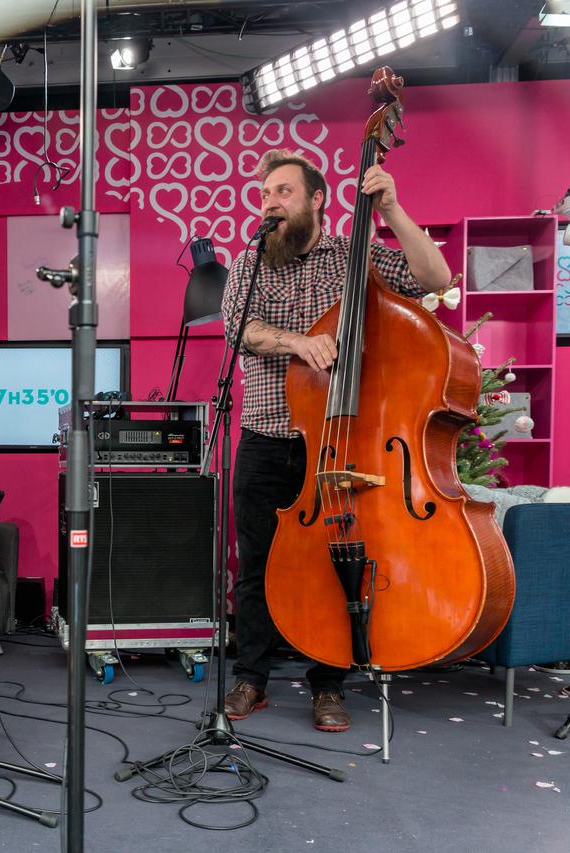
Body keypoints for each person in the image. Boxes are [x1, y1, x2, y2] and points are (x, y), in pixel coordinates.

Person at [219, 148, 450, 732]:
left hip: (341, 442)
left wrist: (393, 210)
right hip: (267, 435)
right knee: (256, 565)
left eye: (282, 192)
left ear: (316, 199)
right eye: (266, 193)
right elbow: (236, 328)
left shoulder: (355, 256)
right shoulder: (250, 262)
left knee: (333, 562)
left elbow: (435, 279)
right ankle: (251, 676)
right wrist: (299, 343)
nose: (270, 203)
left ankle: (328, 684)